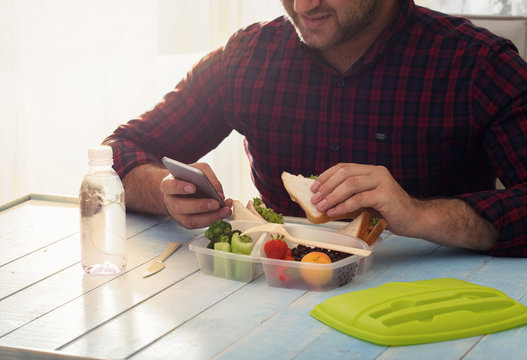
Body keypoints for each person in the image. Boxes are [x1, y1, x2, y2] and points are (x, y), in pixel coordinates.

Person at [103, 0, 527, 257]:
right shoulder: (246, 58)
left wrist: (420, 214)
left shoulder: (477, 63)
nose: (303, 7)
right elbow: (120, 150)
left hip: (430, 312)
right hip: (272, 302)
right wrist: (164, 191)